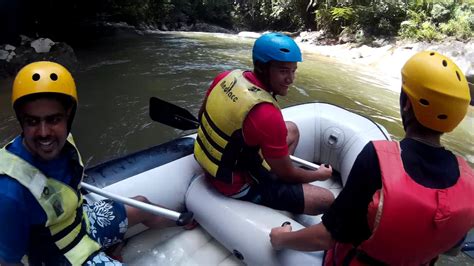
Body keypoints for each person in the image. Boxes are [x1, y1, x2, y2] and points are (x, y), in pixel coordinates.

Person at [269, 51, 474, 265]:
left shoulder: (377, 159)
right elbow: (451, 249)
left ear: (406, 104)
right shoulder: (469, 182)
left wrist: (281, 238)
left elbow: (326, 237)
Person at [0, 61, 182, 265]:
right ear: (21, 121)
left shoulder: (65, 144)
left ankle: (188, 224)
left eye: (53, 120)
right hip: (56, 259)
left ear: (68, 116)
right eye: (32, 121)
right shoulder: (9, 192)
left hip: (81, 223)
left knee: (142, 205)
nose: (44, 133)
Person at [193, 32, 334, 215]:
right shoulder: (266, 115)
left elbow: (201, 115)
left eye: (293, 70)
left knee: (291, 129)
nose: (290, 79)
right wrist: (318, 175)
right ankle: (267, 187)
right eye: (283, 71)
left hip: (215, 163)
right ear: (262, 68)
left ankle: (272, 176)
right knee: (326, 200)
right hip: (234, 184)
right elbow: (288, 174)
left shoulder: (225, 77)